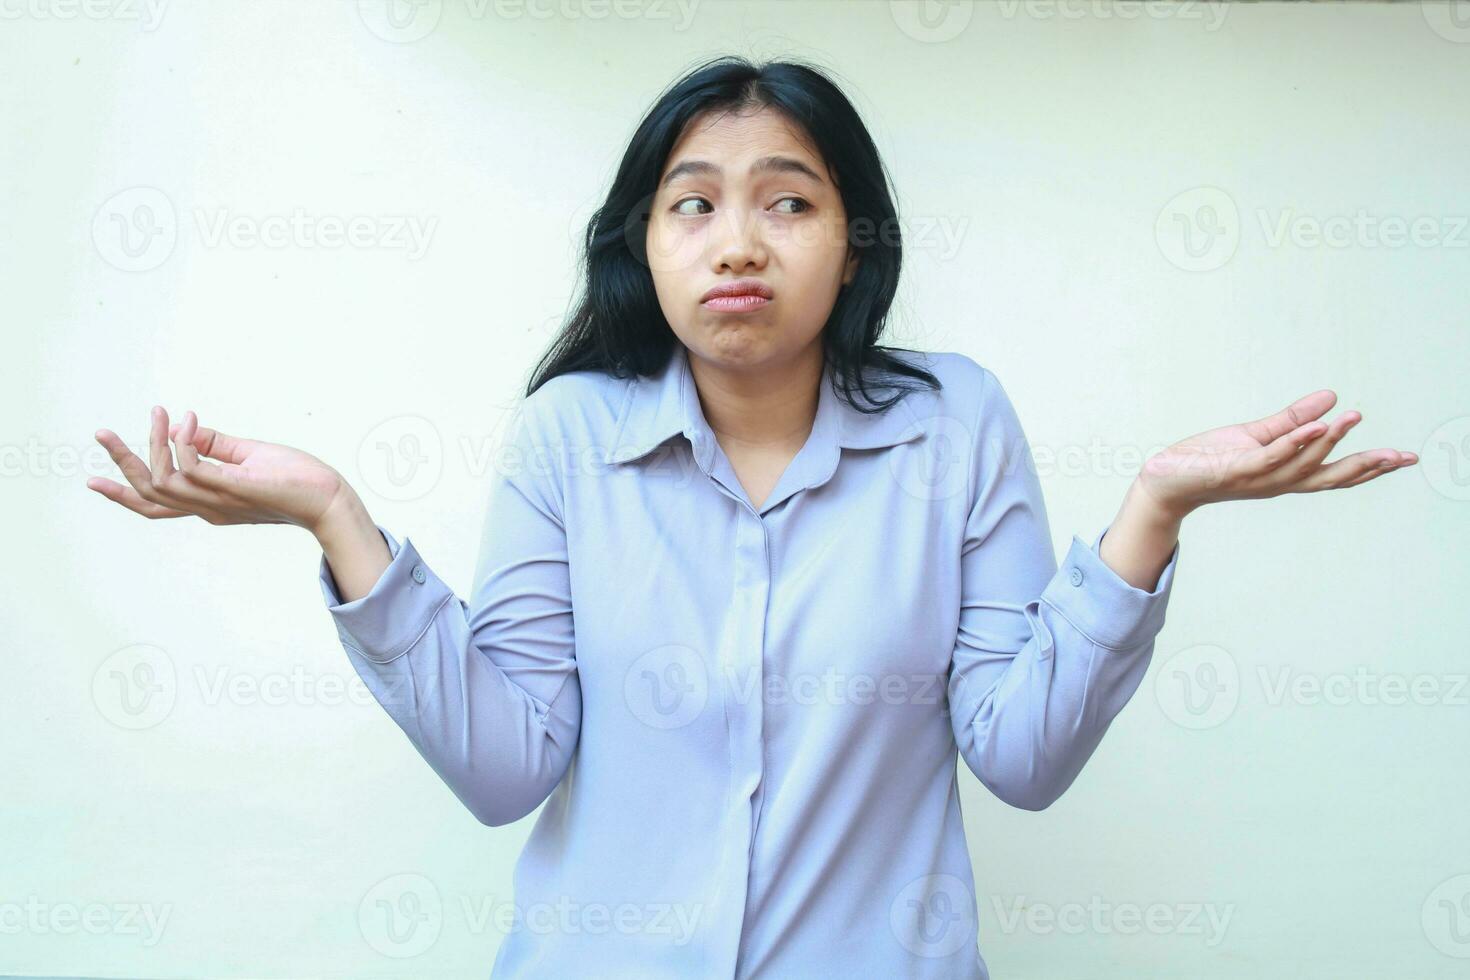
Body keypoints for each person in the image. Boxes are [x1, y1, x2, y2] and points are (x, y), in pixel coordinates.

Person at [88, 55, 1417, 980]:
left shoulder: (953, 423)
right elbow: (505, 768)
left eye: (789, 201)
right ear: (642, 245)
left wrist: (1150, 513)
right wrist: (336, 519)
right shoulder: (569, 436)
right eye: (693, 206)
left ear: (854, 244)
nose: (737, 243)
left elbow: (1018, 753)